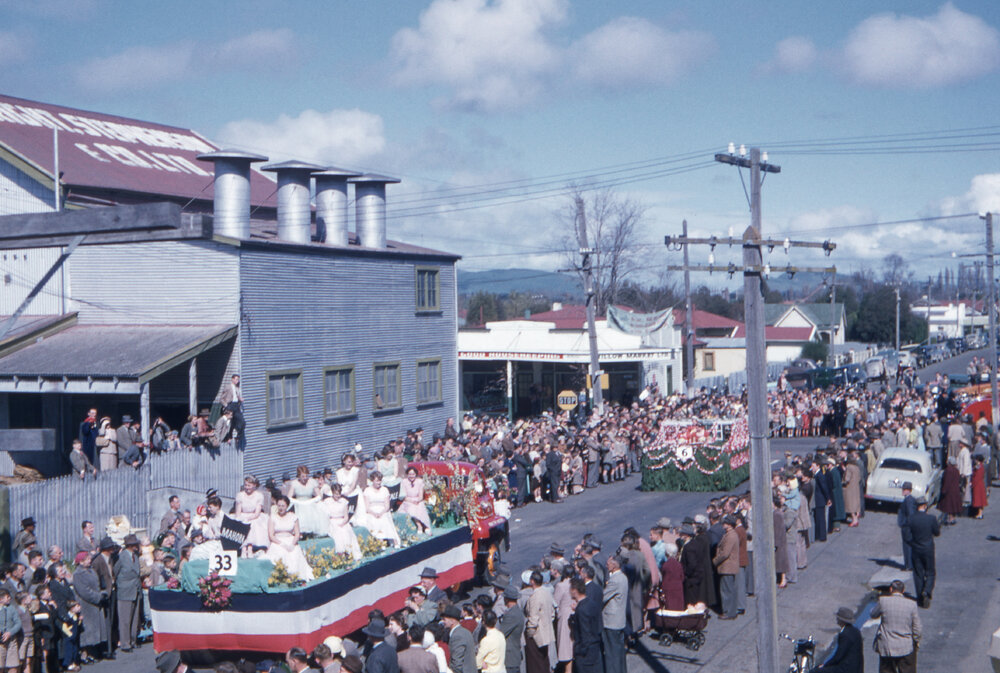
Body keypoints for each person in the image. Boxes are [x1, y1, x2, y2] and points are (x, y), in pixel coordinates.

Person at [872, 580, 921, 673]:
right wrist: (916, 640)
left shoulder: (883, 601)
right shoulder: (912, 604)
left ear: (891, 589)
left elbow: (873, 614)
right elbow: (917, 628)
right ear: (903, 590)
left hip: (887, 646)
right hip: (906, 646)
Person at [266, 495, 313, 582]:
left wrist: (292, 544)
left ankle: (294, 576)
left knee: (294, 553)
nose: (281, 508)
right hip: (277, 541)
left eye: (283, 506)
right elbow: (271, 535)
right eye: (279, 505)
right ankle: (282, 577)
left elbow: (297, 534)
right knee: (280, 553)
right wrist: (282, 544)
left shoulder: (293, 517)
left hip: (291, 540)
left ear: (287, 506)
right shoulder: (272, 517)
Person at [72, 551, 107, 663]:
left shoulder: (91, 570)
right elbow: (84, 591)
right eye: (87, 559)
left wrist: (101, 594)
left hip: (95, 604)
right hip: (86, 605)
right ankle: (84, 654)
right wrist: (97, 597)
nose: (89, 561)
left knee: (94, 630)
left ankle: (92, 652)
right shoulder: (78, 574)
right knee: (87, 631)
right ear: (81, 562)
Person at [906, 497, 941, 609]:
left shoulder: (911, 519)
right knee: (930, 572)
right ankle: (927, 591)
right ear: (925, 506)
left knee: (918, 573)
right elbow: (937, 533)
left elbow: (907, 536)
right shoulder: (931, 518)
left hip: (916, 549)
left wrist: (913, 543)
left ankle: (920, 598)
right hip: (928, 549)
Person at [353, 472, 401, 547]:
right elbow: (367, 507)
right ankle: (380, 542)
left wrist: (381, 513)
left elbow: (387, 506)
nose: (379, 482)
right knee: (375, 520)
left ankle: (394, 541)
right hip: (371, 511)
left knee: (384, 519)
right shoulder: (367, 490)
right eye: (377, 481)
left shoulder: (385, 490)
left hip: (383, 510)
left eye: (380, 480)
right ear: (372, 481)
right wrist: (374, 513)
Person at [812, 606, 862, 673]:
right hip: (856, 668)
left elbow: (838, 657)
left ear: (841, 620)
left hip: (846, 669)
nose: (837, 619)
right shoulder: (855, 631)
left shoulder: (845, 635)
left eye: (838, 617)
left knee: (815, 671)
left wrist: (825, 665)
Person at [114, 533, 141, 652]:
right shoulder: (122, 556)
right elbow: (115, 571)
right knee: (125, 619)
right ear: (130, 545)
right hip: (125, 590)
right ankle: (125, 643)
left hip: (135, 589)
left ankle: (133, 640)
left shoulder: (135, 556)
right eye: (134, 544)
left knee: (134, 618)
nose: (137, 546)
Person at [568, 577, 603, 673]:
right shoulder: (591, 603)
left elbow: (585, 633)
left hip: (586, 655)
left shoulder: (581, 609)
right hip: (595, 650)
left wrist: (579, 651)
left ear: (575, 591)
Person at [523, 571, 554, 673]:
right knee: (544, 661)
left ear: (532, 581)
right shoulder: (546, 593)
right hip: (546, 632)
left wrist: (530, 633)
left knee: (535, 664)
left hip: (537, 634)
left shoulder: (535, 596)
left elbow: (533, 617)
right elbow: (552, 613)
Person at [602, 556, 627, 673]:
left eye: (608, 563)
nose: (606, 565)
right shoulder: (623, 577)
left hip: (611, 622)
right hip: (619, 620)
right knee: (619, 650)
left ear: (614, 565)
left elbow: (603, 596)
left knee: (611, 653)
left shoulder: (614, 580)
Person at [325, 484, 363, 561]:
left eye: (339, 493)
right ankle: (340, 555)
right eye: (336, 494)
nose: (338, 496)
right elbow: (325, 515)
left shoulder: (344, 501)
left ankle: (348, 553)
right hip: (332, 522)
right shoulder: (327, 501)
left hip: (342, 521)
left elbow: (346, 517)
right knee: (338, 534)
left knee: (346, 532)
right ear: (332, 493)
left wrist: (342, 523)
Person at [234, 476, 270, 556]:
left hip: (254, 516)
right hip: (242, 515)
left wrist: (248, 518)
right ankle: (243, 548)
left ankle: (250, 547)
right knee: (241, 523)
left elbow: (257, 513)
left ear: (254, 485)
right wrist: (242, 519)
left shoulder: (259, 496)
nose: (247, 487)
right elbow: (238, 512)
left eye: (249, 485)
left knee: (253, 524)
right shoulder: (240, 495)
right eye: (245, 485)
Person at [713, 516, 740, 620]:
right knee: (728, 589)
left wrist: (715, 561)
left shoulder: (731, 536)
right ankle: (730, 611)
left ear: (729, 525)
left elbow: (725, 553)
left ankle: (728, 612)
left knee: (726, 591)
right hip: (727, 567)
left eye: (725, 523)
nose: (723, 525)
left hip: (727, 567)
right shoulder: (729, 534)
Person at [289, 466, 325, 537]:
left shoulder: (312, 482)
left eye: (306, 476)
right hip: (299, 506)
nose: (305, 478)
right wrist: (298, 502)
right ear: (298, 476)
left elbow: (319, 496)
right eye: (303, 476)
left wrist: (312, 501)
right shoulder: (294, 483)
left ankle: (311, 534)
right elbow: (289, 497)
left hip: (310, 504)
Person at [440, 605, 475, 673]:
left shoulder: (457, 636)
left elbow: (457, 664)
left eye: (444, 619)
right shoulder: (464, 631)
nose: (443, 621)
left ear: (452, 621)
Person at [497, 586, 523, 673]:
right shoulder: (516, 611)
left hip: (510, 657)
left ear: (507, 599)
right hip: (513, 655)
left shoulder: (512, 614)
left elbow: (500, 633)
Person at [399, 467, 431, 533]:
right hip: (408, 500)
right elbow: (404, 496)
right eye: (410, 474)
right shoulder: (404, 481)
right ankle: (419, 526)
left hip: (418, 500)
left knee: (421, 507)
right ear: (407, 474)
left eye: (413, 474)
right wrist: (412, 501)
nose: (411, 476)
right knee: (412, 509)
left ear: (416, 474)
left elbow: (421, 496)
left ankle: (426, 526)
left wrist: (418, 501)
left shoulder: (420, 481)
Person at [897, 482, 917, 571]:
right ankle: (909, 564)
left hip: (907, 527)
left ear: (909, 490)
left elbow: (910, 514)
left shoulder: (908, 501)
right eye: (903, 489)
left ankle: (909, 565)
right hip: (908, 527)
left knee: (907, 546)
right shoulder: (909, 499)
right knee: (908, 546)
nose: (902, 491)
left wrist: (905, 524)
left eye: (904, 489)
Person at [0, 588, 21, 673]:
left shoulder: (12, 608)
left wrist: (10, 632)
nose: (10, 598)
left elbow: (18, 623)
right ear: (1, 599)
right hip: (0, 643)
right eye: (7, 597)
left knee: (13, 667)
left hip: (11, 641)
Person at [938, 457, 963, 525]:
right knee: (953, 505)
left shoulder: (948, 470)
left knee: (949, 506)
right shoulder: (956, 470)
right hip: (956, 490)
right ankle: (952, 518)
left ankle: (950, 519)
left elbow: (947, 481)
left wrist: (944, 490)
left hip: (949, 491)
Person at [971, 454, 988, 519]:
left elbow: (977, 477)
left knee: (979, 500)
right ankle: (980, 513)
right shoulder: (980, 466)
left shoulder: (979, 467)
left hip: (978, 485)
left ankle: (980, 514)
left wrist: (972, 483)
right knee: (980, 500)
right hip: (980, 484)